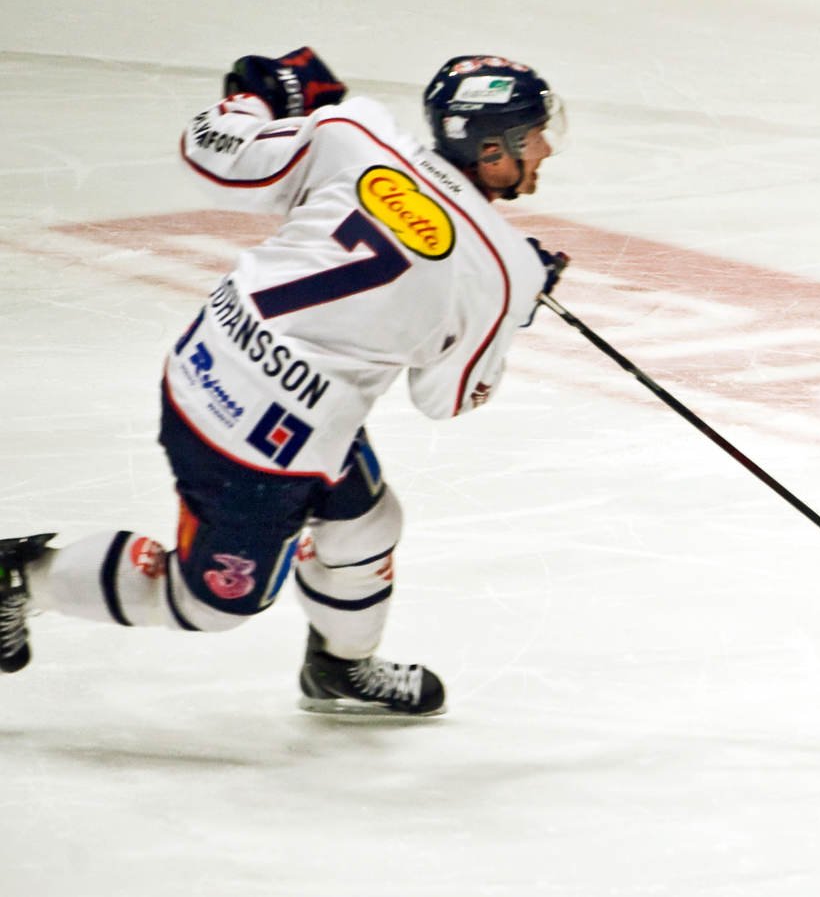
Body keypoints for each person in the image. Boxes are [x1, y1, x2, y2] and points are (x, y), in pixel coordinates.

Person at [0, 48, 568, 717]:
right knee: (211, 603)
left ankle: (341, 667)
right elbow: (445, 399)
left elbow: (211, 151)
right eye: (534, 135)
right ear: (492, 149)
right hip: (266, 444)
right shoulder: (504, 272)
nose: (546, 149)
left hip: (209, 362)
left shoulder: (357, 131)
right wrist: (513, 311)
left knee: (366, 524)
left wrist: (259, 98)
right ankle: (21, 579)